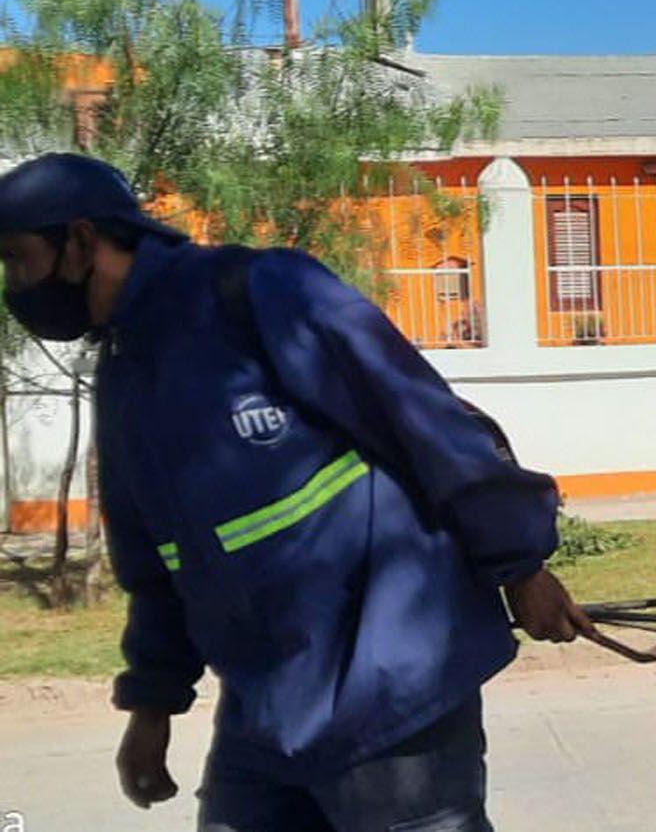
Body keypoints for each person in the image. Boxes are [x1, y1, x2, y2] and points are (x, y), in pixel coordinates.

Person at [0, 153, 596, 831]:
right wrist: (152, 707)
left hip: (393, 693)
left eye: (18, 260)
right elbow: (155, 561)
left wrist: (521, 566)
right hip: (265, 718)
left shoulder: (256, 292)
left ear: (81, 242)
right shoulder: (125, 370)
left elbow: (424, 420)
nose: (15, 285)